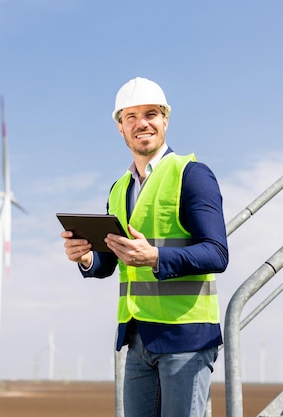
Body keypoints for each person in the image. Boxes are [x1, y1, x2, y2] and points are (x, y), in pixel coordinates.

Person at [61, 77, 228, 417]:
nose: (142, 123)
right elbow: (110, 262)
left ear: (165, 120)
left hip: (186, 337)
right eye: (131, 117)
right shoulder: (118, 189)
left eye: (151, 114)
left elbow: (216, 253)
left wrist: (156, 256)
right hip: (137, 338)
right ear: (120, 127)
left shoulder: (191, 174)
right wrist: (87, 256)